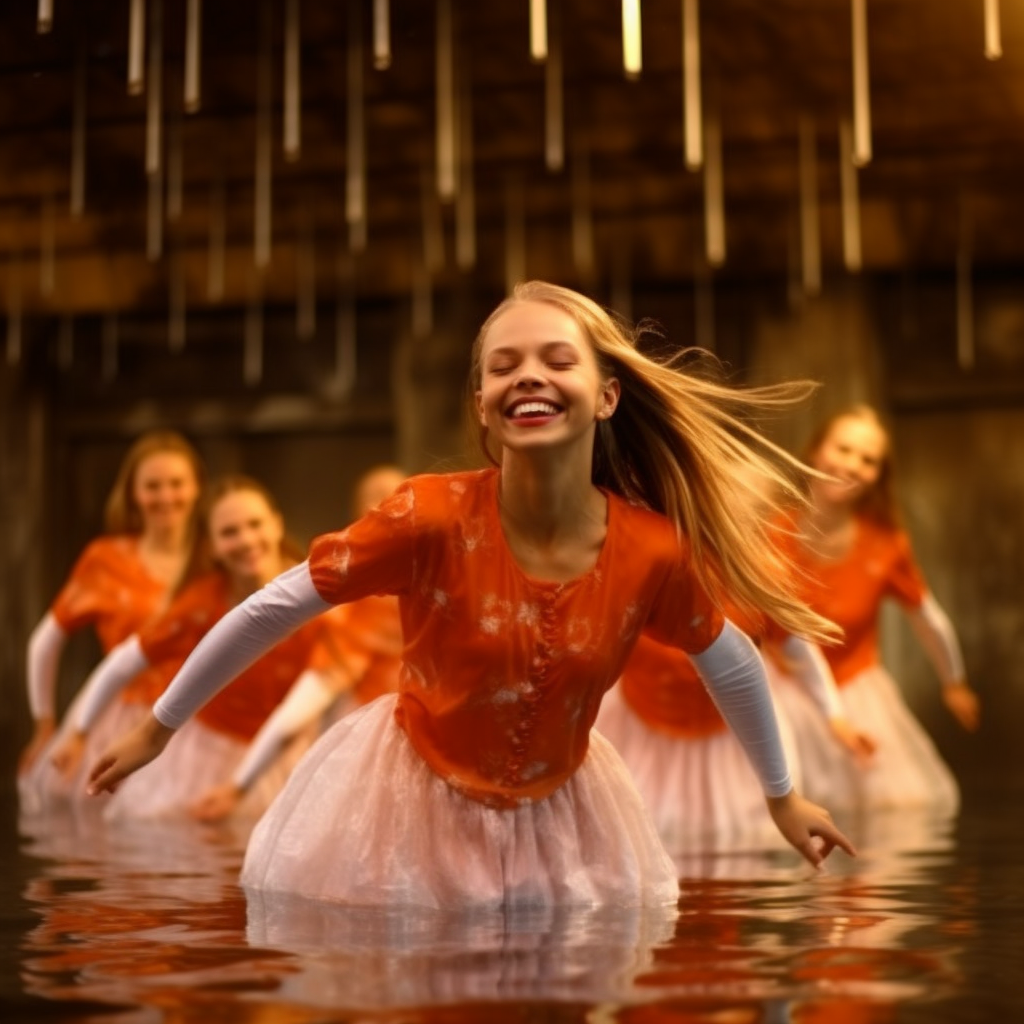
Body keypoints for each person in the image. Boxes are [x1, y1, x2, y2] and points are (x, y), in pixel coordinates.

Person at [89, 282, 854, 908]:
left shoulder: (651, 550)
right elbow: (273, 607)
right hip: (412, 802)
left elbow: (734, 663)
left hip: (564, 815)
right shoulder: (427, 517)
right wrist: (158, 731)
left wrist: (781, 797)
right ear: (485, 402)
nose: (529, 374)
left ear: (608, 396)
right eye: (504, 365)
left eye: (558, 359)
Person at [53, 476, 328, 821]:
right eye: (229, 532)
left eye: (255, 524)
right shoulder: (202, 602)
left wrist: (240, 786)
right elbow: (124, 661)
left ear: (277, 524)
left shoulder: (320, 593)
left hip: (282, 749)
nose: (246, 540)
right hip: (205, 748)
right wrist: (78, 732)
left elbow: (316, 696)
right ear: (211, 546)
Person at [769, 404, 980, 814]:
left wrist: (953, 682)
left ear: (878, 476)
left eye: (868, 460)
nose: (852, 464)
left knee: (884, 812)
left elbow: (928, 618)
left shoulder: (884, 544)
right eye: (843, 449)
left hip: (855, 691)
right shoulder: (768, 531)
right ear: (816, 450)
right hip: (781, 688)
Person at [188, 466, 406, 823]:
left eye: (400, 494)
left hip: (393, 739)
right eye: (376, 498)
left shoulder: (361, 602)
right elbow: (311, 695)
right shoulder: (345, 599)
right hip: (243, 738)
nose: (391, 502)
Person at [18, 430, 205, 811]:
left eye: (176, 484)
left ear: (197, 488)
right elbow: (45, 642)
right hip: (118, 716)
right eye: (153, 486)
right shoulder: (107, 560)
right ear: (133, 493)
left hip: (199, 718)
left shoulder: (217, 557)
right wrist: (44, 724)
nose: (166, 496)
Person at [596, 604, 874, 855]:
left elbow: (793, 643)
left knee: (741, 836)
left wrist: (834, 714)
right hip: (645, 729)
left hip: (732, 741)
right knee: (645, 833)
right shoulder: (637, 567)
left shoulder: (750, 573)